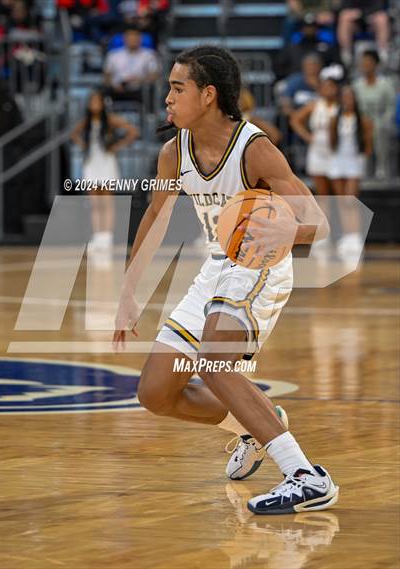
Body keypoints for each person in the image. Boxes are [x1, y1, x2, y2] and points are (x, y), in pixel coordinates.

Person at [112, 45, 339, 515]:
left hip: (260, 265)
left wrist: (289, 230)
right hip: (216, 266)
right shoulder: (174, 154)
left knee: (215, 361)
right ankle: (256, 423)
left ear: (209, 95)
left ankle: (305, 474)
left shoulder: (254, 149)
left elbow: (321, 222)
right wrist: (128, 293)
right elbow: (155, 218)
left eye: (178, 88)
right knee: (155, 392)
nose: (168, 99)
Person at [71, 90, 139, 252]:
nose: (94, 104)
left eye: (97, 101)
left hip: (106, 161)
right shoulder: (86, 122)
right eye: (92, 101)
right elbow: (74, 134)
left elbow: (132, 131)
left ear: (102, 103)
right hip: (91, 162)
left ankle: (106, 237)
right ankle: (97, 236)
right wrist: (84, 146)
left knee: (107, 201)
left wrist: (117, 146)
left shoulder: (110, 120)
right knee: (95, 203)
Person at [329, 85, 372, 259]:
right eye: (344, 96)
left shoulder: (363, 120)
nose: (347, 100)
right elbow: (332, 141)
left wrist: (361, 161)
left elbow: (368, 145)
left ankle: (355, 236)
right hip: (338, 161)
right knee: (341, 201)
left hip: (353, 162)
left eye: (350, 96)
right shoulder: (335, 119)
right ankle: (347, 236)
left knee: (350, 200)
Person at [290, 76, 339, 196]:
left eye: (331, 86)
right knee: (322, 193)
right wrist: (306, 136)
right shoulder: (314, 105)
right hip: (317, 148)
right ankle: (325, 215)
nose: (328, 90)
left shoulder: (341, 106)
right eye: (325, 87)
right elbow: (294, 119)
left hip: (336, 149)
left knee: (339, 193)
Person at [353, 50, 396, 179]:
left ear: (376, 64)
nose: (365, 65)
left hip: (381, 120)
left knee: (378, 129)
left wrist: (383, 121)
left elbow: (391, 107)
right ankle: (362, 166)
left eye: (368, 62)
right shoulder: (357, 85)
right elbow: (354, 107)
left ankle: (381, 166)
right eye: (363, 63)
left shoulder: (385, 84)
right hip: (361, 120)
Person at [104, 26, 159, 102]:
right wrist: (114, 85)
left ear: (140, 38)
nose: (132, 39)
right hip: (117, 89)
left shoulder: (149, 55)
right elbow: (107, 76)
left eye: (135, 36)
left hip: (139, 89)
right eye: (130, 36)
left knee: (149, 91)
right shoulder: (113, 55)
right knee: (104, 91)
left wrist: (140, 80)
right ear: (124, 38)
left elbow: (154, 75)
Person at [337, 0, 390, 67]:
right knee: (344, 16)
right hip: (356, 22)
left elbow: (379, 7)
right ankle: (346, 54)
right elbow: (345, 6)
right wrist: (355, 13)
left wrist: (363, 13)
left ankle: (383, 52)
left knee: (382, 17)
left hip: (372, 21)